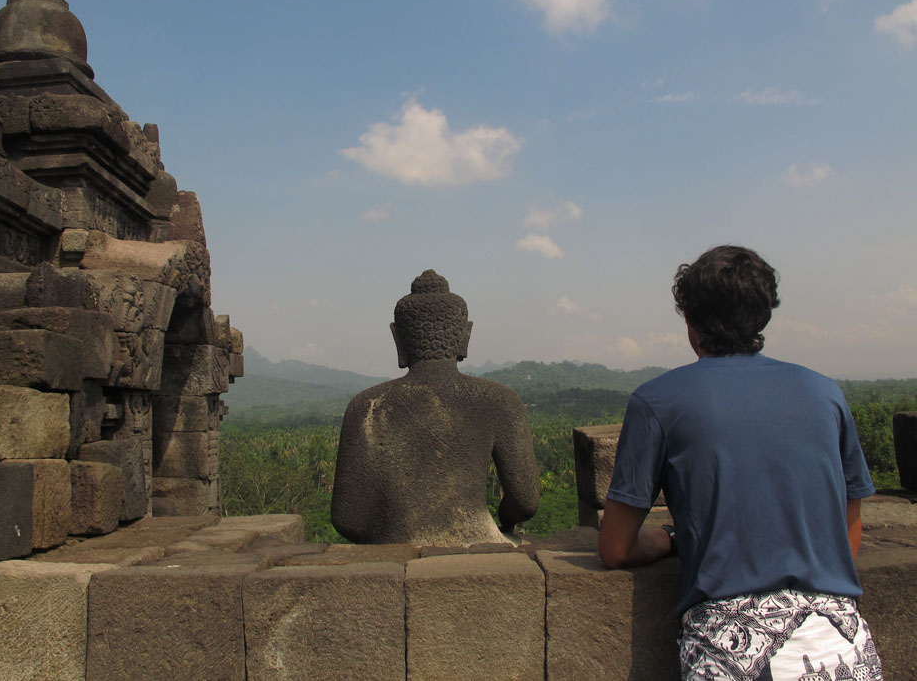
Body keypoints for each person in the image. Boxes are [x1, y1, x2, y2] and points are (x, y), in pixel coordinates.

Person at [597, 245, 882, 680]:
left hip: (729, 649)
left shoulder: (657, 402)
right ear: (763, 314)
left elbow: (615, 548)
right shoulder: (825, 393)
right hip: (839, 643)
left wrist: (665, 541)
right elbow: (849, 532)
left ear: (689, 319)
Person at [331, 269, 539, 546]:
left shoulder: (366, 407)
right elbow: (524, 502)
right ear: (465, 335)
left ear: (398, 338)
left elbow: (348, 518)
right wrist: (505, 518)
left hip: (390, 553)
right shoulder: (500, 401)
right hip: (481, 547)